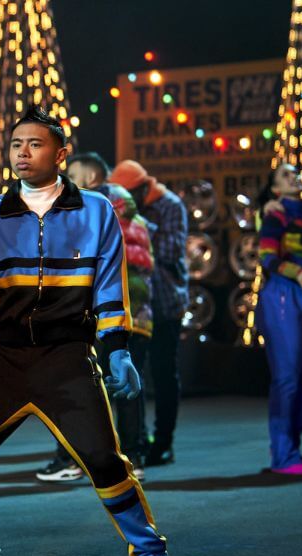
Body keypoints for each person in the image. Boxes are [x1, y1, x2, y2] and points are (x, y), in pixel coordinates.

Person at [0, 108, 178, 556]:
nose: (22, 152)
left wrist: (117, 349)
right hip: (5, 357)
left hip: (67, 356)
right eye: (16, 144)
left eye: (34, 144)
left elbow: (109, 286)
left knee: (104, 460)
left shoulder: (97, 210)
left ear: (60, 154)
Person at [38, 152, 154, 482]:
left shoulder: (95, 209)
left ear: (89, 179)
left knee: (75, 386)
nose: (63, 181)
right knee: (124, 388)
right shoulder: (132, 214)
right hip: (134, 315)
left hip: (99, 315)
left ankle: (71, 459)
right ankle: (133, 457)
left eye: (70, 174)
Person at [109, 159, 188, 467]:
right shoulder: (120, 208)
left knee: (165, 374)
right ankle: (137, 441)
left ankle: (164, 442)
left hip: (165, 303)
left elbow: (169, 251)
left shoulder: (169, 205)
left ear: (143, 189)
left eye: (128, 194)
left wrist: (136, 223)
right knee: (132, 375)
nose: (123, 200)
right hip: (136, 304)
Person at [256, 163, 302, 474]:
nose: (294, 176)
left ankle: (289, 447)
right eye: (284, 175)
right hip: (283, 294)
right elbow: (267, 257)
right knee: (287, 378)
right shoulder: (276, 213)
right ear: (275, 189)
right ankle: (283, 454)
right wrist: (298, 271)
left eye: (295, 172)